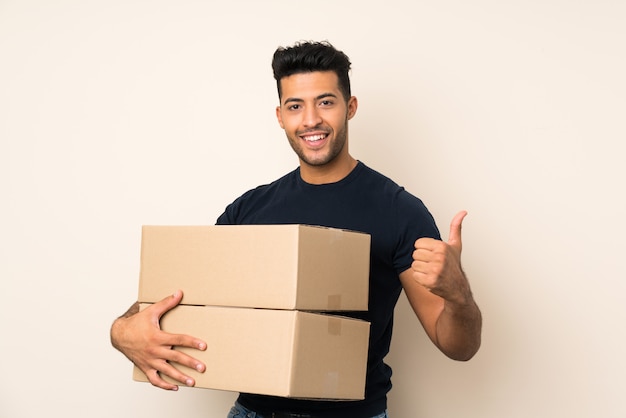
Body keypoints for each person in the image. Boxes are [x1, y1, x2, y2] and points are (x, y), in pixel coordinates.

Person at [110, 40, 482, 418]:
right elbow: (172, 299)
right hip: (253, 411)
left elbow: (459, 347)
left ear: (350, 107)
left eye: (325, 102)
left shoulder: (400, 211)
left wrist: (458, 293)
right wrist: (122, 331)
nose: (310, 120)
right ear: (279, 116)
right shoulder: (249, 210)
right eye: (295, 106)